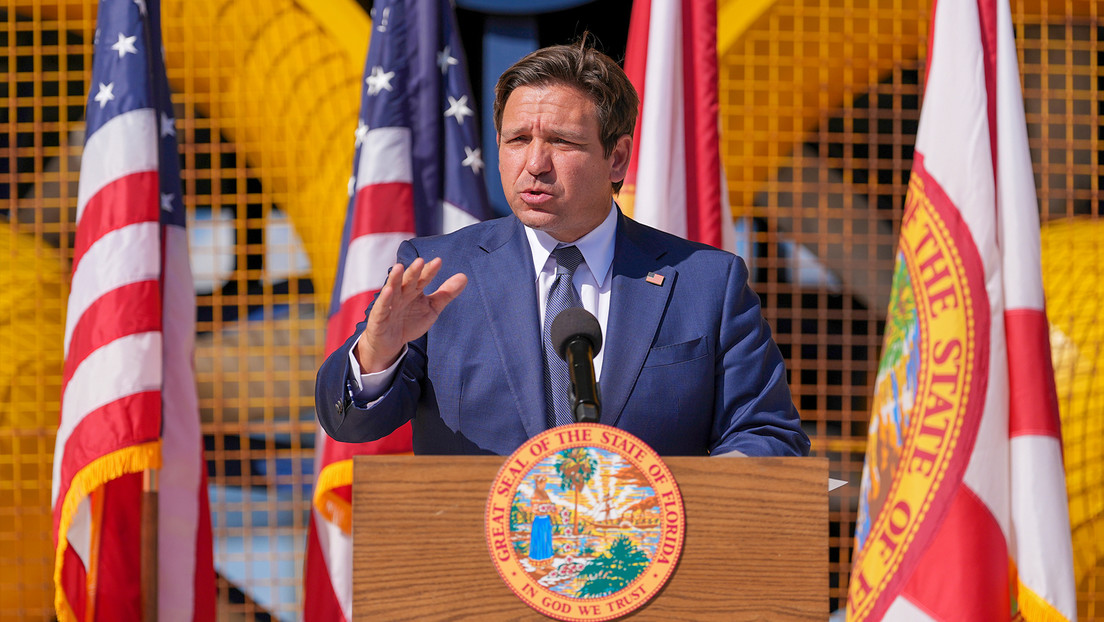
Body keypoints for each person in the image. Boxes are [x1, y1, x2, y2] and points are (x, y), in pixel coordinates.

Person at [315, 40, 809, 457]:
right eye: (516, 140)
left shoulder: (707, 282)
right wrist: (378, 354)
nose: (534, 163)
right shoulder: (438, 273)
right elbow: (352, 426)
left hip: (647, 564)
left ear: (616, 157)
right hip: (481, 563)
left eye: (561, 142)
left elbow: (767, 433)